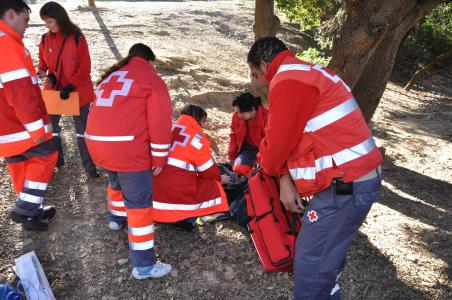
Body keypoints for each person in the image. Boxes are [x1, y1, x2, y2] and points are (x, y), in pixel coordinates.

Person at [247, 37, 383, 299]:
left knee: (310, 260)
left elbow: (276, 147)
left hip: (346, 184)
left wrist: (272, 168)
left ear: (264, 65)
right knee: (327, 253)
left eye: (256, 74)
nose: (260, 82)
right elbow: (296, 139)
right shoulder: (309, 72)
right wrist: (285, 177)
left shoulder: (287, 81)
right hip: (354, 179)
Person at [85, 43, 173, 279]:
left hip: (98, 144)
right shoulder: (150, 78)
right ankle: (145, 265)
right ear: (149, 61)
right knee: (140, 206)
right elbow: (160, 121)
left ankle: (116, 218)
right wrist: (160, 156)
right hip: (127, 147)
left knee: (115, 181)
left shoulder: (113, 75)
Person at [0, 0, 57, 231]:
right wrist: (37, 130)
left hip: (6, 126)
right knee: (47, 155)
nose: (26, 26)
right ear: (11, 14)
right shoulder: (6, 44)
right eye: (25, 19)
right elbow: (20, 92)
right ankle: (25, 209)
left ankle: (30, 213)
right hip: (18, 126)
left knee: (20, 164)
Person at [37, 1, 99, 177]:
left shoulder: (78, 38)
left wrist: (71, 85)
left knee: (83, 131)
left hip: (77, 90)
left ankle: (90, 166)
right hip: (55, 90)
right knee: (52, 128)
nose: (47, 25)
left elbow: (84, 67)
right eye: (45, 22)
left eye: (50, 21)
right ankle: (57, 161)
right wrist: (42, 72)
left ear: (60, 18)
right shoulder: (45, 39)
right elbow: (43, 63)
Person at [152, 104, 230, 230]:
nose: (203, 126)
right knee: (214, 187)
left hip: (150, 192)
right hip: (173, 193)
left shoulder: (167, 127)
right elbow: (209, 171)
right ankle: (186, 217)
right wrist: (220, 179)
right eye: (203, 121)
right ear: (198, 119)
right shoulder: (196, 139)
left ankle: (162, 216)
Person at [228, 92, 268, 176]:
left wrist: (262, 160)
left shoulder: (267, 116)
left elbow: (272, 142)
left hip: (265, 150)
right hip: (248, 150)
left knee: (264, 174)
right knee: (238, 170)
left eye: (241, 112)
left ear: (252, 109)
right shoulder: (236, 116)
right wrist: (231, 156)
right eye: (237, 112)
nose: (238, 115)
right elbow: (234, 137)